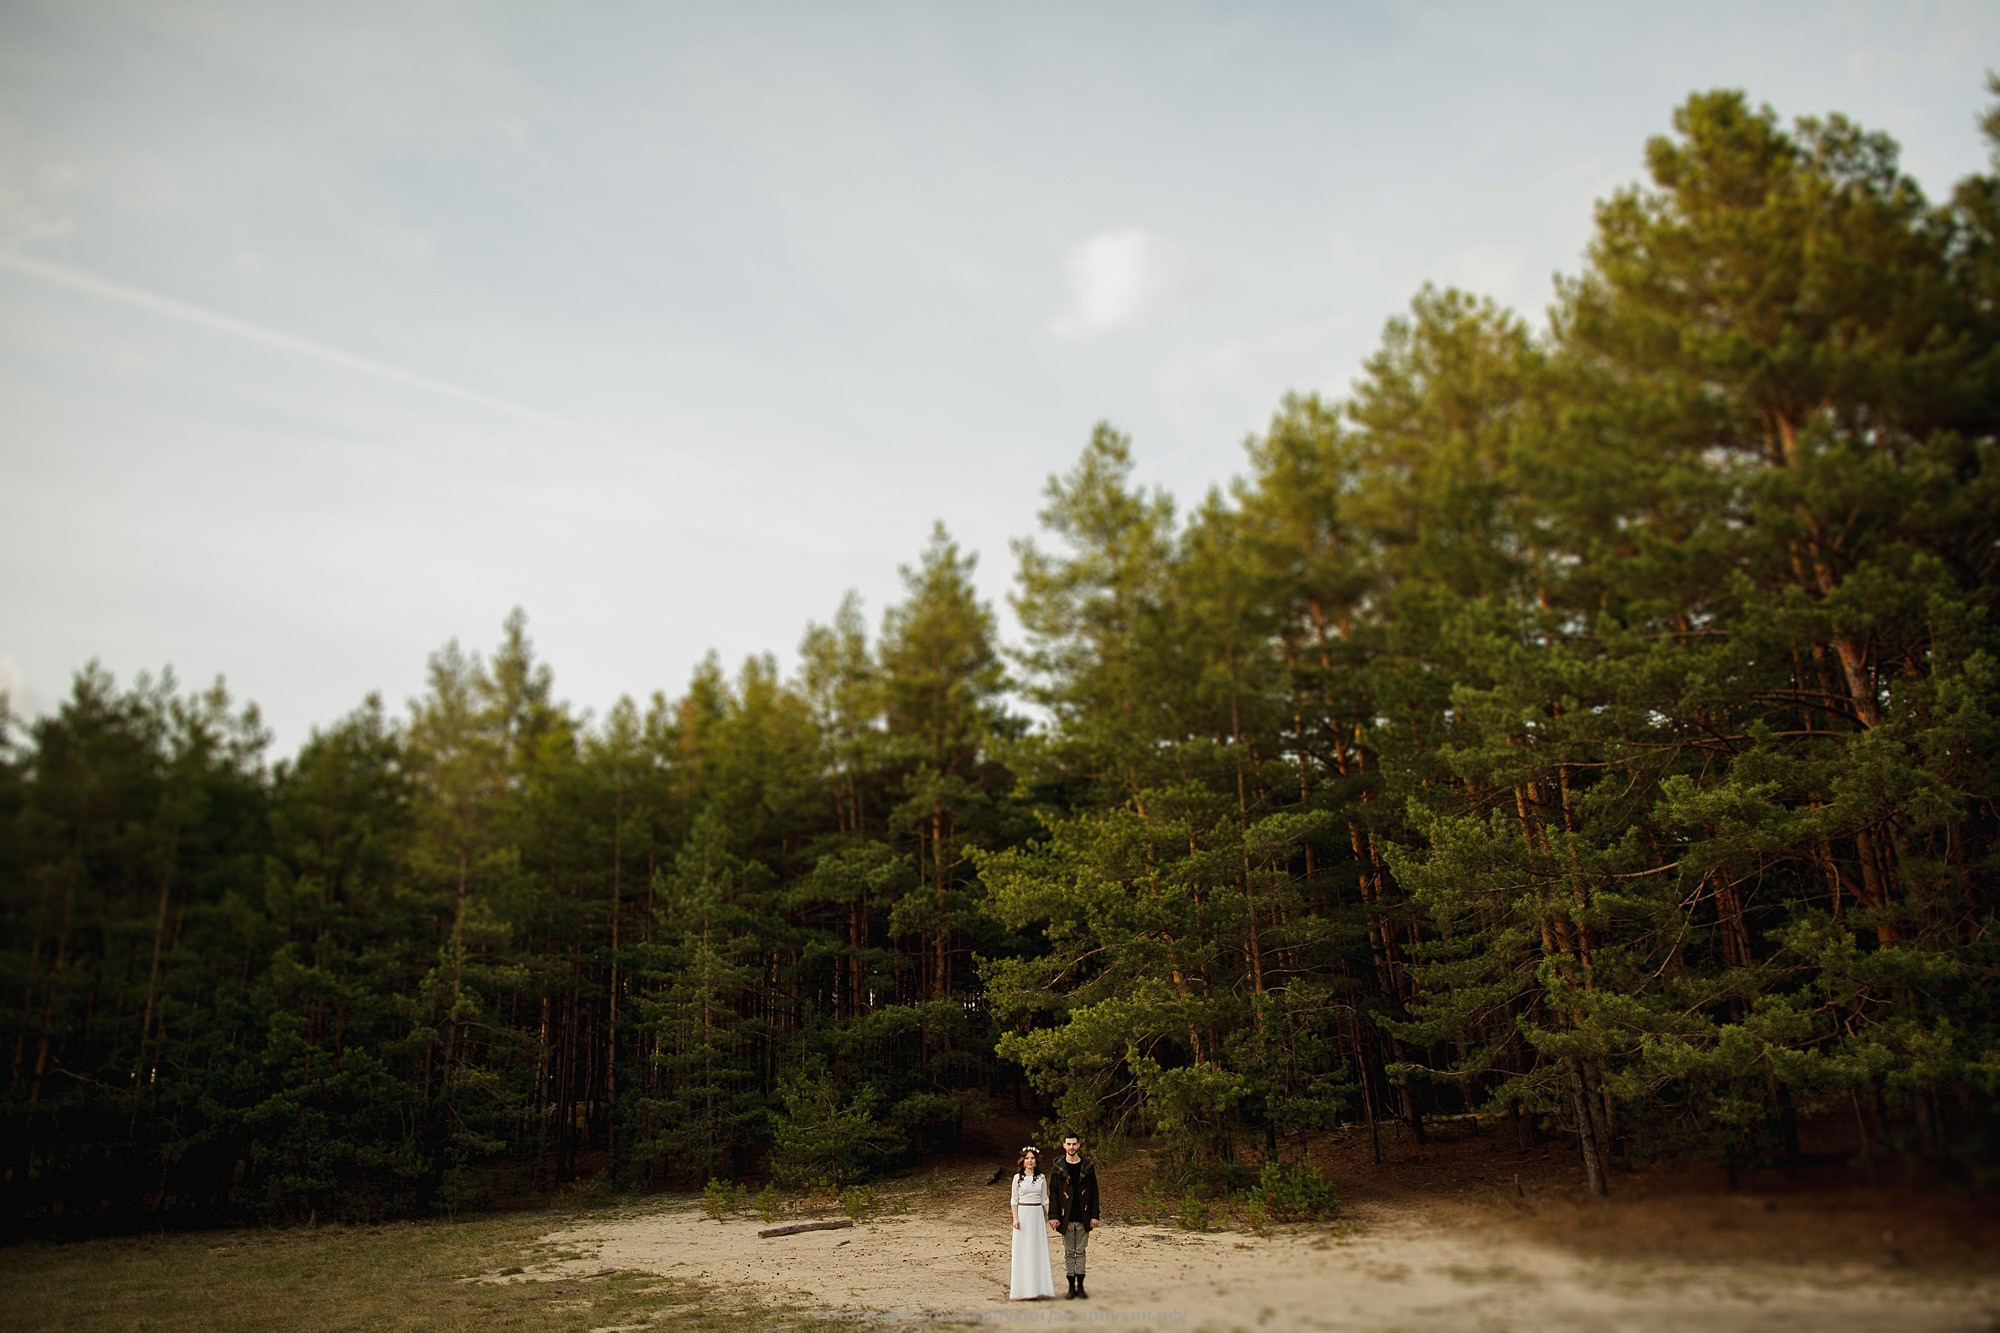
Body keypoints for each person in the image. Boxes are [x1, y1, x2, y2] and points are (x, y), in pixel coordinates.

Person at [1047, 1132, 1101, 1300]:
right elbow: (1053, 1193)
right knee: (1069, 1252)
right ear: (1064, 1146)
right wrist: (1054, 1216)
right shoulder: (1058, 1168)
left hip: (1083, 1216)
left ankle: (1081, 1286)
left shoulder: (1087, 1166)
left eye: (1074, 1144)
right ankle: (1071, 1287)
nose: (1071, 1147)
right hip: (1066, 1217)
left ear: (1078, 1146)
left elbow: (1094, 1193)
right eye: (1068, 1144)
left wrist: (1095, 1215)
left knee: (1081, 1251)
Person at [1007, 1146, 1056, 1300]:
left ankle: (1038, 1289)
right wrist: (1015, 1218)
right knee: (1023, 1251)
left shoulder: (1041, 1178)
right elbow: (1014, 1199)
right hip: (1023, 1215)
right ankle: (1022, 1290)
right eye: (1027, 1158)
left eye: (1032, 1158)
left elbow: (1044, 1200)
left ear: (1036, 1161)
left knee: (1037, 1250)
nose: (1029, 1161)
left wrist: (1051, 1217)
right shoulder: (1017, 1178)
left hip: (1037, 1217)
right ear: (1022, 1161)